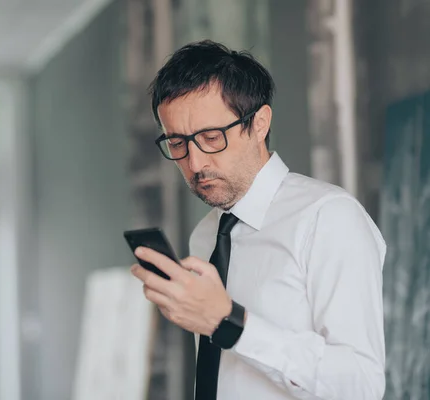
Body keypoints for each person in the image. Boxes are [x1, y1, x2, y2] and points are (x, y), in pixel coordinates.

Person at [130, 40, 385, 399]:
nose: (195, 162)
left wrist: (231, 324)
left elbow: (362, 386)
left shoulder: (328, 217)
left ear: (259, 123)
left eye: (211, 137)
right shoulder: (204, 236)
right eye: (177, 143)